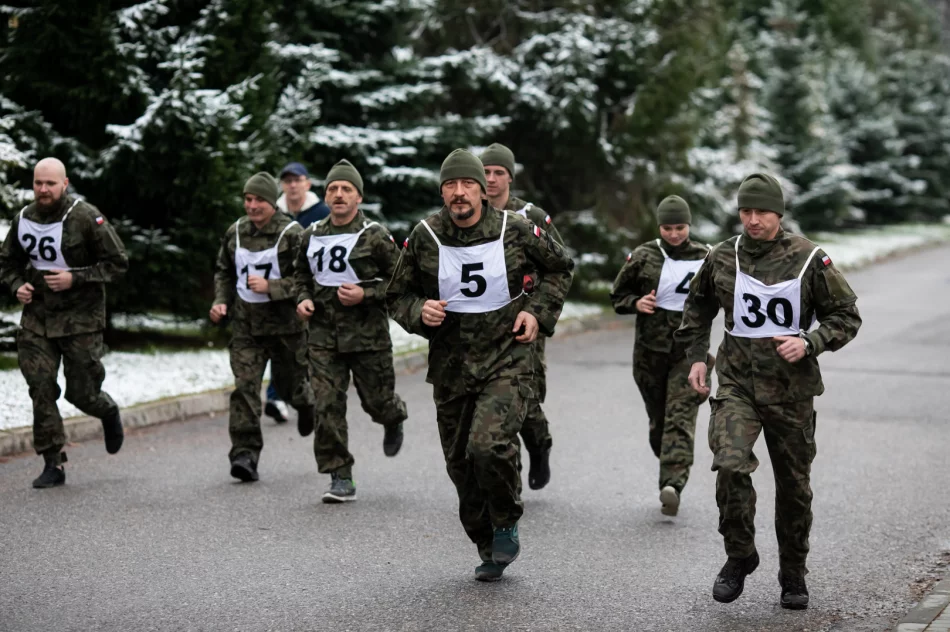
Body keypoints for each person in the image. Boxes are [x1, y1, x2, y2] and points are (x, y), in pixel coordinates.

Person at [674, 173, 861, 610]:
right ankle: (740, 555)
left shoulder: (809, 257)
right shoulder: (722, 256)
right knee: (731, 464)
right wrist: (697, 356)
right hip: (737, 384)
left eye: (762, 212)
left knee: (795, 489)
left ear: (779, 213)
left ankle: (793, 573)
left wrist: (810, 341)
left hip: (792, 392)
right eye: (746, 211)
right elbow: (697, 308)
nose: (753, 220)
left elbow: (846, 316)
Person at [386, 149, 574, 582]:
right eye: (450, 185)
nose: (459, 193)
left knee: (487, 445)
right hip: (451, 367)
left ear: (482, 191)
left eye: (467, 184)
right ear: (442, 191)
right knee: (459, 464)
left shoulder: (517, 228)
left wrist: (537, 313)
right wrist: (420, 313)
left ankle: (506, 519)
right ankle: (487, 542)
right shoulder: (426, 236)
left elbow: (559, 270)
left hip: (508, 357)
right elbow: (397, 295)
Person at [0, 157, 129, 488]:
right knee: (41, 386)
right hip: (38, 321)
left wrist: (76, 278)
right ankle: (52, 462)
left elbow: (118, 263)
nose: (43, 189)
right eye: (38, 183)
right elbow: (7, 262)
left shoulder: (85, 217)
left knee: (81, 393)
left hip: (80, 321)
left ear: (64, 184)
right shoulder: (24, 219)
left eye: (50, 184)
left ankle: (107, 411)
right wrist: (17, 286)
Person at [294, 159, 408, 503]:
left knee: (376, 402)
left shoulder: (375, 235)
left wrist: (365, 293)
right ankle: (339, 474)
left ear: (358, 197)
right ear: (325, 196)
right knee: (326, 405)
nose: (339, 194)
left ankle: (393, 416)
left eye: (346, 189)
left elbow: (400, 281)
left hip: (367, 338)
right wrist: (302, 298)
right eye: (333, 189)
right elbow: (300, 274)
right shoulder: (310, 235)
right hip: (322, 338)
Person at [610, 195, 714, 516]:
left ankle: (672, 484)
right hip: (649, 353)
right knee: (660, 421)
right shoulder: (643, 255)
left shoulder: (707, 257)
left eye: (680, 227)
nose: (674, 234)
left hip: (689, 352)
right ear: (659, 227)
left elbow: (726, 293)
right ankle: (670, 458)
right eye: (667, 227)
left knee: (679, 416)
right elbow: (618, 295)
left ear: (689, 226)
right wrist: (636, 303)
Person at [210, 172, 316, 482]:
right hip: (247, 329)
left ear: (272, 202)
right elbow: (224, 271)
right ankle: (245, 454)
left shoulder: (293, 234)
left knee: (289, 389)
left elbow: (307, 280)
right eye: (248, 199)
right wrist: (221, 301)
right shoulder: (236, 232)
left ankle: (305, 404)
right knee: (245, 389)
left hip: (287, 330)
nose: (252, 205)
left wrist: (271, 287)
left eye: (259, 200)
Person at [480, 142, 564, 491]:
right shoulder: (467, 214)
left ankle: (539, 442)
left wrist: (537, 311)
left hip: (523, 325)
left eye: (498, 172)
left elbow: (559, 266)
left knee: (525, 398)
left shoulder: (529, 216)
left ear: (510, 178)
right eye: (485, 172)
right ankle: (505, 481)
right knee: (491, 405)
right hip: (481, 328)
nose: (491, 179)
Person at [263, 162, 331, 424]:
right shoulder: (272, 212)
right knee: (278, 345)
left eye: (297, 180)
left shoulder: (321, 212)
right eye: (287, 180)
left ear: (307, 183)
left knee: (304, 349)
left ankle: (306, 397)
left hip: (310, 289)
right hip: (276, 291)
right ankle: (277, 398)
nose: (292, 185)